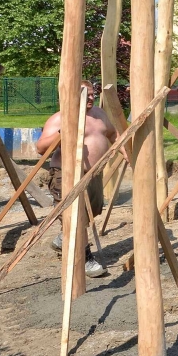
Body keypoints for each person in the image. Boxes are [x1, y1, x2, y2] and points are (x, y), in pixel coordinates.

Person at [36, 80, 119, 278]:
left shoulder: (99, 114)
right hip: (66, 174)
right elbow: (40, 148)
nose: (91, 97)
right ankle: (85, 258)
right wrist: (61, 134)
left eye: (92, 94)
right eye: (86, 94)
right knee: (75, 216)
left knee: (93, 210)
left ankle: (63, 237)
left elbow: (113, 133)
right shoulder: (61, 118)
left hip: (93, 173)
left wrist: (125, 150)